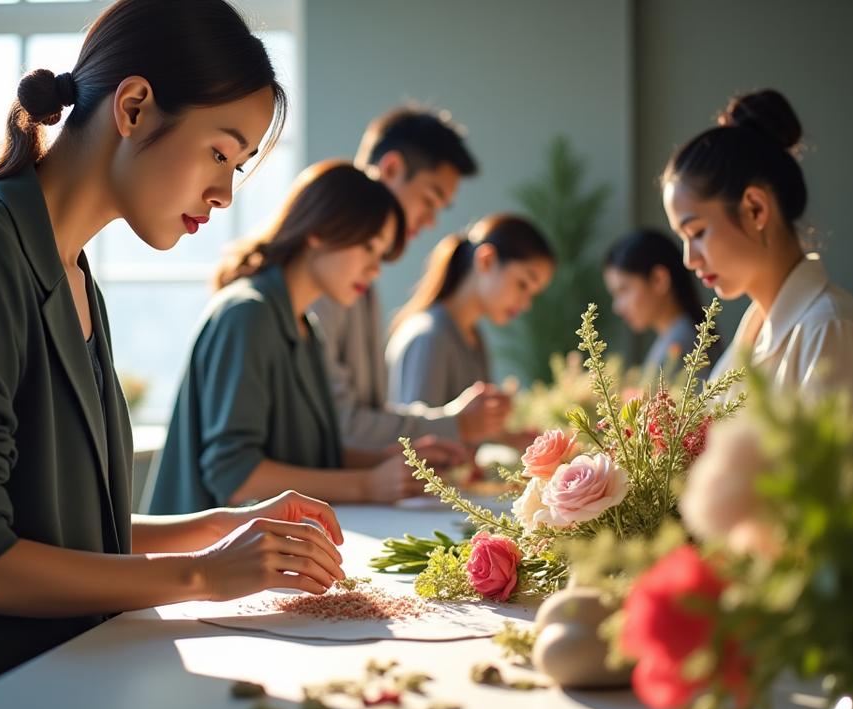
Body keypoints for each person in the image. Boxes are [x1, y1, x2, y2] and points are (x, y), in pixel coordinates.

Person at [0, 3, 347, 709]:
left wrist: (220, 526)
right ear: (134, 107)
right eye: (219, 153)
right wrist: (205, 574)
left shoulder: (75, 276)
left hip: (20, 683)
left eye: (237, 167)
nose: (224, 193)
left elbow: (64, 530)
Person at [148, 160, 465, 515]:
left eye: (381, 255)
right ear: (321, 231)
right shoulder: (248, 314)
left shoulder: (306, 328)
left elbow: (314, 456)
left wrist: (395, 465)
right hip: (205, 547)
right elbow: (235, 477)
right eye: (368, 247)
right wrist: (367, 484)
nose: (375, 269)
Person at [309, 106, 512, 454]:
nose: (431, 221)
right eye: (430, 200)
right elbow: (336, 428)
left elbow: (368, 415)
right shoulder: (325, 275)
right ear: (391, 169)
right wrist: (454, 424)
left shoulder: (363, 282)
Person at [662, 88, 853, 401]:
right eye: (683, 239)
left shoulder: (829, 328)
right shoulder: (755, 330)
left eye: (697, 233)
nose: (689, 259)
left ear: (755, 209)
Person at [385, 213, 555, 409]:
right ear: (486, 260)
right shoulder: (429, 335)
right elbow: (415, 427)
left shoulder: (473, 338)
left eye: (533, 294)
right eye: (523, 284)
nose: (526, 304)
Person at [602, 228, 722, 380]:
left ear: (659, 280)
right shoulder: (679, 338)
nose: (617, 307)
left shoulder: (680, 347)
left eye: (624, 290)